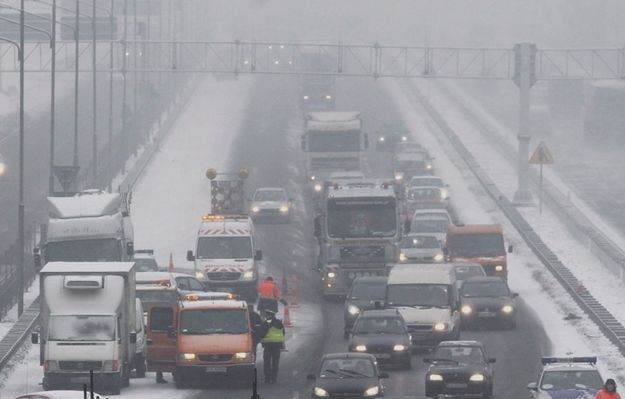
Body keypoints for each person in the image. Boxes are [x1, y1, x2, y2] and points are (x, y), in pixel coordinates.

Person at [260, 309, 285, 384]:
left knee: (267, 362)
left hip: (268, 345)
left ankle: (267, 378)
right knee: (275, 362)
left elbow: (262, 333)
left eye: (266, 315)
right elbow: (283, 333)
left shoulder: (267, 322)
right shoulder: (279, 323)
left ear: (268, 315)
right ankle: (274, 378)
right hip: (277, 346)